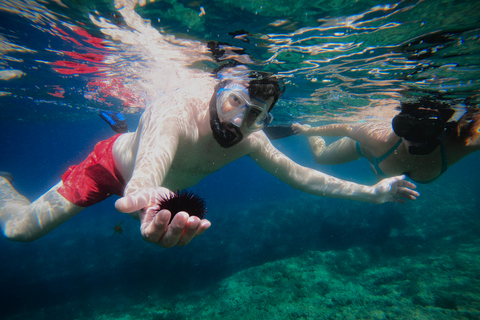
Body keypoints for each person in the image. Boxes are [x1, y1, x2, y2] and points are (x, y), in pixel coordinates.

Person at [0, 69, 419, 248]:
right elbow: (150, 162)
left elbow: (305, 177)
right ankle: (3, 188)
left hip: (148, 192)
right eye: (235, 101)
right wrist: (143, 197)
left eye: (257, 114)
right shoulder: (176, 112)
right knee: (20, 230)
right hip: (109, 167)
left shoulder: (250, 138)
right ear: (219, 89)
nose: (240, 120)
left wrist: (374, 192)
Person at [292, 98, 480, 183]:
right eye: (405, 127)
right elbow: (344, 128)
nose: (415, 137)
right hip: (363, 148)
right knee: (320, 157)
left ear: (443, 128)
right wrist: (308, 131)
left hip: (383, 162)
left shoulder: (459, 144)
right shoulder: (379, 139)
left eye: (429, 128)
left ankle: (379, 172)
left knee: (381, 171)